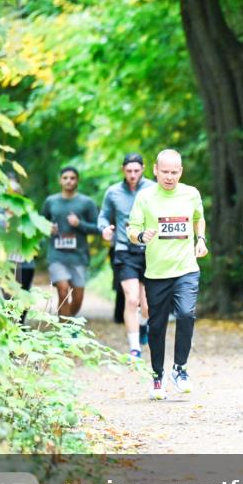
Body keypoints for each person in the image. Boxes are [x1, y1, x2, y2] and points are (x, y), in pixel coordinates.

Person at [127, 149, 207, 400]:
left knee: (186, 314)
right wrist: (141, 236)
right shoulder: (145, 197)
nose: (170, 177)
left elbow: (199, 218)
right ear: (155, 170)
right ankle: (157, 375)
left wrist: (201, 239)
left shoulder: (191, 193)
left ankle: (180, 369)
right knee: (157, 325)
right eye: (165, 172)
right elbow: (132, 229)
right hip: (157, 272)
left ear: (180, 172)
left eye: (174, 172)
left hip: (186, 269)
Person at [99, 153, 155, 359]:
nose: (132, 175)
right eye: (129, 171)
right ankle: (134, 348)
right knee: (132, 300)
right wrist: (105, 228)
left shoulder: (153, 189)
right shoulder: (113, 192)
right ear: (123, 169)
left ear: (143, 169)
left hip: (150, 251)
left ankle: (143, 327)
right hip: (124, 250)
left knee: (147, 304)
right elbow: (103, 216)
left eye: (136, 171)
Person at [41, 166, 99, 319]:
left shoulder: (86, 203)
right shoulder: (50, 201)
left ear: (77, 181)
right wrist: (48, 228)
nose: (69, 181)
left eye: (72, 178)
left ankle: (68, 319)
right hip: (57, 255)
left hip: (78, 256)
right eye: (65, 178)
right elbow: (40, 223)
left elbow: (97, 228)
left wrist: (79, 224)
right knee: (63, 290)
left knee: (78, 298)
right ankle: (64, 331)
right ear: (60, 180)